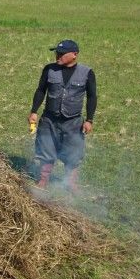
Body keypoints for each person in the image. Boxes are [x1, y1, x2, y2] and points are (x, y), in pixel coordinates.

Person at [28, 39, 97, 192]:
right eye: (57, 53)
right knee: (46, 149)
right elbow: (41, 90)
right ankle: (43, 180)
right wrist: (34, 111)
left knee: (73, 153)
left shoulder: (87, 73)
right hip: (49, 119)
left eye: (62, 54)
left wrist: (89, 120)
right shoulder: (49, 69)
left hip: (73, 122)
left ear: (74, 54)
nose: (57, 56)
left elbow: (92, 97)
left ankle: (71, 183)